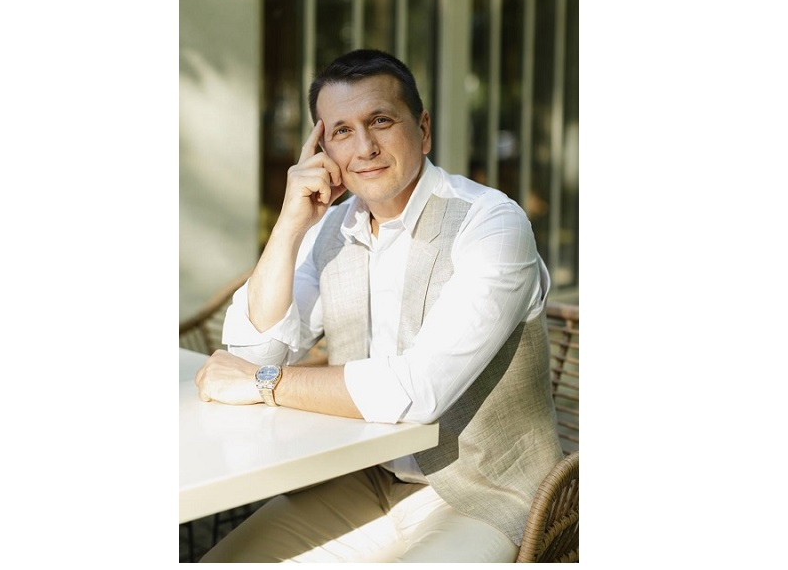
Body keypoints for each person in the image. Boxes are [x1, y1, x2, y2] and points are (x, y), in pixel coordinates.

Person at [194, 49, 564, 563]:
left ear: (423, 130)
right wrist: (289, 223)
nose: (365, 147)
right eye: (342, 131)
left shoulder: (491, 223)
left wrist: (266, 384)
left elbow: (420, 390)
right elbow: (253, 351)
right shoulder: (331, 227)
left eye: (381, 121)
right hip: (360, 478)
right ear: (322, 149)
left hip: (481, 494)